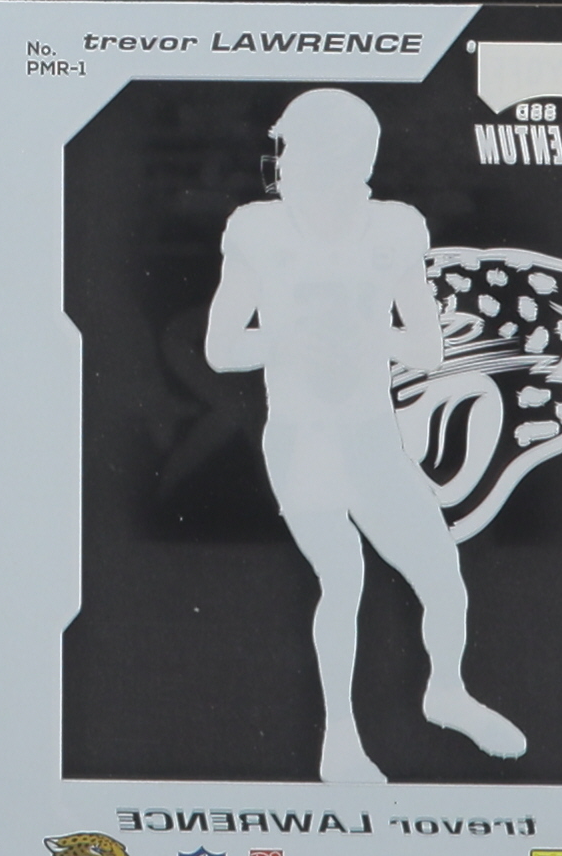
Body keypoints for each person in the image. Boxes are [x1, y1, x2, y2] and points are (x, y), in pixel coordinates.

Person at [205, 88, 526, 782]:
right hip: (303, 437)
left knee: (443, 579)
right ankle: (341, 737)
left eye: (294, 149)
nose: (280, 163)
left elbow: (428, 348)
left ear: (336, 160)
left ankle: (446, 692)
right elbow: (220, 348)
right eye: (282, 149)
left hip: (371, 437)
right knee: (342, 576)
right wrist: (293, 337)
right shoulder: (258, 230)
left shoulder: (393, 229)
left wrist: (362, 333)